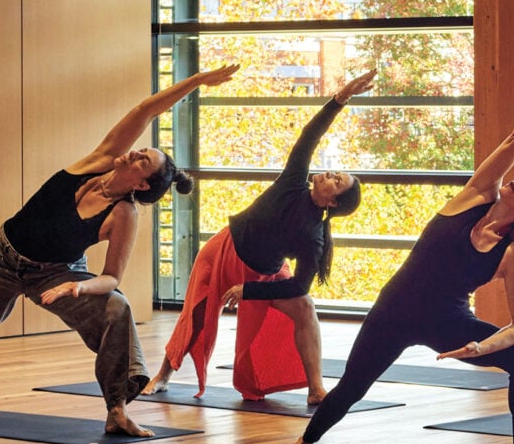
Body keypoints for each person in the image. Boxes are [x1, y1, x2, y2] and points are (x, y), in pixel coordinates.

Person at [266, 69, 514, 444]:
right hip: (394, 310)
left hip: (448, 322)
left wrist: (482, 344)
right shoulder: (475, 195)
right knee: (353, 386)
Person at [0, 63, 237, 436]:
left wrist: (79, 287)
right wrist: (198, 81)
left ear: (143, 183)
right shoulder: (99, 162)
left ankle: (117, 410)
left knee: (117, 308)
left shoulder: (123, 214)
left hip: (54, 273)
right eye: (141, 150)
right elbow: (145, 110)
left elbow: (112, 277)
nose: (134, 153)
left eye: (143, 160)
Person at [145, 67, 376, 405]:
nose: (329, 173)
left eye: (336, 180)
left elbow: (300, 285)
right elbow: (309, 137)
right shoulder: (294, 181)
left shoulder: (313, 236)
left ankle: (316, 389)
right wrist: (340, 98)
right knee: (197, 311)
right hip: (223, 249)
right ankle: (163, 373)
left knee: (305, 307)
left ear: (332, 201)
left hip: (259, 273)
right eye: (336, 172)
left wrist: (252, 289)